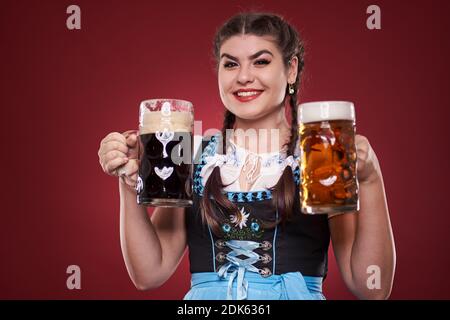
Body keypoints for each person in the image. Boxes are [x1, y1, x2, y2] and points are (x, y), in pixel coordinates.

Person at [97, 12, 395, 300]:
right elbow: (149, 273)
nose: (243, 77)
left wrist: (370, 179)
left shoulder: (320, 156)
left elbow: (371, 287)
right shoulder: (191, 154)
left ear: (291, 69)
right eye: (230, 65)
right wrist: (129, 181)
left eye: (261, 62)